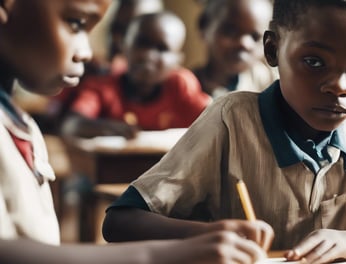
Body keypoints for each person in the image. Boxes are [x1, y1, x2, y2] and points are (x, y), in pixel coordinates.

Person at [103, 0, 346, 263]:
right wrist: (205, 237)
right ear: (272, 50)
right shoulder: (230, 121)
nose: (339, 86)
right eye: (314, 61)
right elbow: (120, 221)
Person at [0, 1, 271, 263]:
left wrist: (196, 235)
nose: (86, 52)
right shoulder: (104, 86)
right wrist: (167, 253)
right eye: (76, 23)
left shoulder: (21, 124)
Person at [61, 11, 211, 139]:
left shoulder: (180, 85)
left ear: (177, 59)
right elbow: (71, 125)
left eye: (162, 48)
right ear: (124, 46)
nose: (148, 56)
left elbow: (215, 121)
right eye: (141, 43)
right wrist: (115, 130)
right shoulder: (103, 87)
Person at [192, 0, 278, 98]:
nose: (244, 43)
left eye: (255, 36)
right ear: (204, 26)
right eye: (230, 31)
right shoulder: (184, 86)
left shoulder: (270, 85)